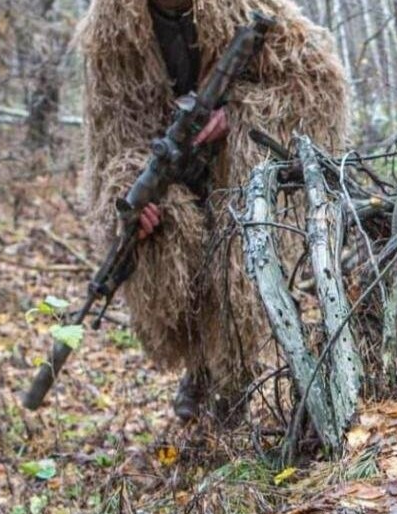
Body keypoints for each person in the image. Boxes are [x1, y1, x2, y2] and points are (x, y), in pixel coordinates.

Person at [77, 0, 347, 421]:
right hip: (168, 162)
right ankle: (200, 366)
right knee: (160, 246)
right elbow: (111, 137)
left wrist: (236, 114)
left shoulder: (245, 8)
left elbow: (317, 81)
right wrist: (130, 197)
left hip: (236, 164)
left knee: (237, 265)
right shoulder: (113, 31)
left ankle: (236, 378)